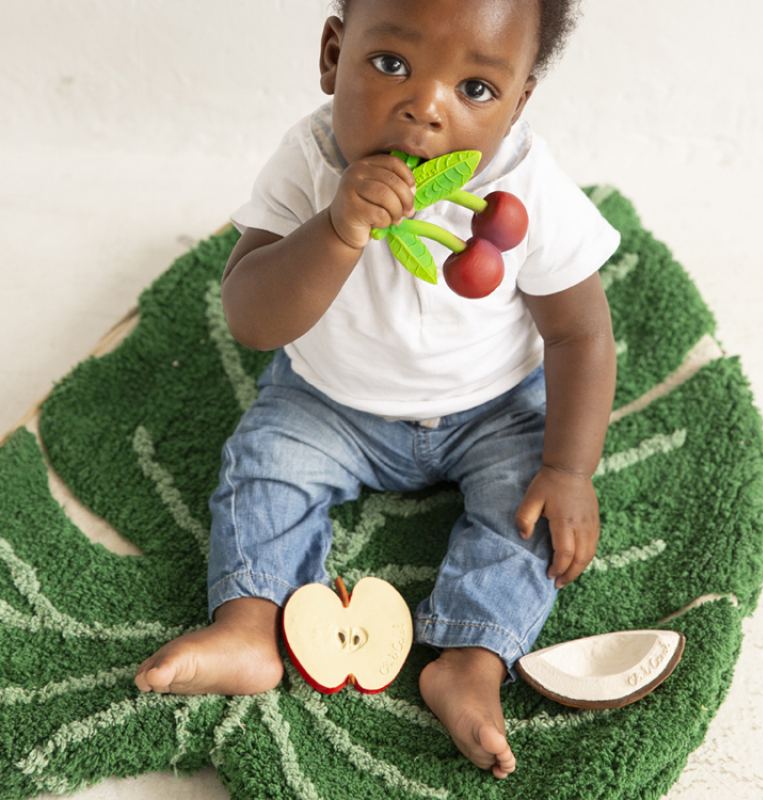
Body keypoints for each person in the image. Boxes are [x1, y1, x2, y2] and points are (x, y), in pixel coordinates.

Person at [135, 0, 620, 779]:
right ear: (333, 54)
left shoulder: (521, 188)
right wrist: (335, 228)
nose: (425, 106)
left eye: (475, 89)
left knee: (527, 512)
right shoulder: (310, 159)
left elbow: (580, 334)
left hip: (489, 408)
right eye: (391, 64)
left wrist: (568, 469)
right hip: (327, 399)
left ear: (520, 101)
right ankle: (252, 623)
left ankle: (470, 658)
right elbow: (252, 318)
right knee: (262, 465)